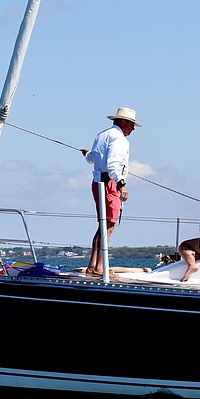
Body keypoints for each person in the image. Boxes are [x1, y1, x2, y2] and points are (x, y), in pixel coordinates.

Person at [80, 107, 140, 276]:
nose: (133, 129)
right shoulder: (120, 139)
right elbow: (114, 165)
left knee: (103, 224)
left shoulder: (102, 135)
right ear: (123, 123)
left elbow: (91, 158)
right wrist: (122, 185)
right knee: (109, 225)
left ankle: (93, 265)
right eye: (131, 125)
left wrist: (87, 154)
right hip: (109, 183)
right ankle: (100, 267)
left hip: (98, 181)